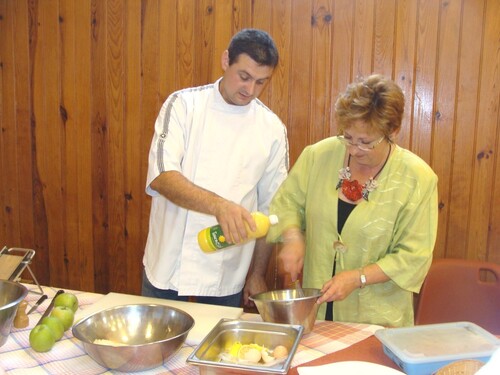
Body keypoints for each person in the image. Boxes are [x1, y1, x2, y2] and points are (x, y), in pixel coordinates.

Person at [267, 74, 438, 327]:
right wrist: (293, 237)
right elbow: (287, 203)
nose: (353, 149)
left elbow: (413, 256)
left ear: (392, 131)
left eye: (366, 142)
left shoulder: (417, 179)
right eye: (347, 137)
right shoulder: (318, 156)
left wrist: (359, 278)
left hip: (378, 321)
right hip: (316, 314)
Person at [142, 29, 289, 308]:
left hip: (226, 273)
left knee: (222, 352)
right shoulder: (184, 105)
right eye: (244, 77)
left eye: (261, 82)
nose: (250, 90)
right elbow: (163, 176)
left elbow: (272, 210)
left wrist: (257, 274)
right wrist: (220, 206)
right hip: (167, 268)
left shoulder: (272, 129)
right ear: (225, 60)